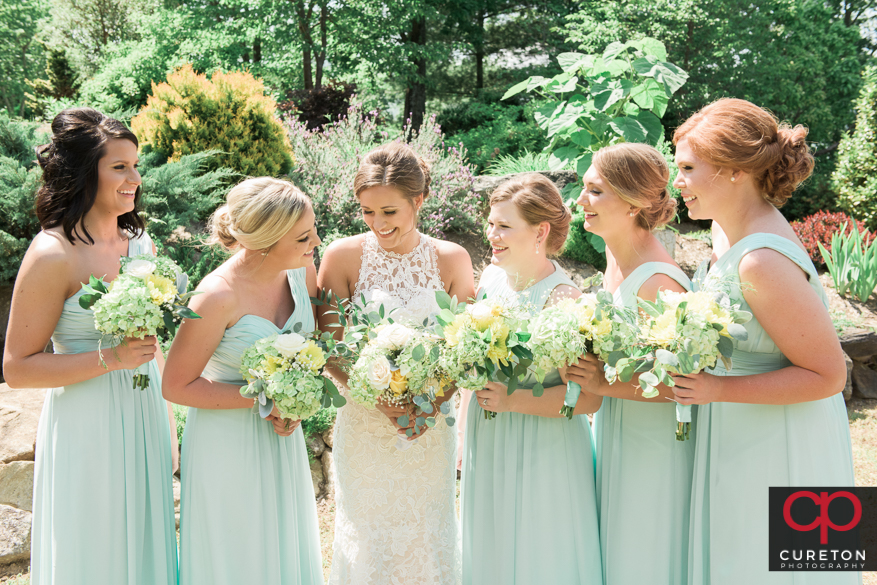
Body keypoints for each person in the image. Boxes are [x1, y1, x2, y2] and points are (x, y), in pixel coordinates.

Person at [671, 98, 856, 584]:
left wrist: (716, 389)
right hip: (740, 434)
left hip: (785, 441)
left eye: (689, 168)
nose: (678, 182)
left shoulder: (761, 261)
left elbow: (831, 374)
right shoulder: (724, 232)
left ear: (734, 171)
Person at [3, 107, 177, 584]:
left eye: (135, 165)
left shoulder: (140, 245)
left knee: (144, 541)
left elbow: (153, 343)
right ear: (84, 173)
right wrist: (112, 358)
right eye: (119, 166)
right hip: (87, 424)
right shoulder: (51, 253)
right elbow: (18, 368)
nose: (134, 178)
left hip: (143, 413)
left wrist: (168, 425)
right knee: (95, 549)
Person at [317, 142, 474, 584]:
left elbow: (465, 346)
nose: (377, 224)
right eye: (367, 212)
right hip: (365, 422)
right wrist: (378, 399)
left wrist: (431, 402)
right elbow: (330, 344)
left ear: (418, 200)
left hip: (428, 426)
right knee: (367, 537)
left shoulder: (451, 258)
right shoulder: (342, 256)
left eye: (389, 211)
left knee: (427, 534)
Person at [162, 177, 324, 585]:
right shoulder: (217, 296)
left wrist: (295, 402)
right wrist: (267, 399)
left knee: (283, 543)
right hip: (227, 444)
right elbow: (176, 385)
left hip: (282, 440)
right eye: (304, 236)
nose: (317, 241)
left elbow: (313, 346)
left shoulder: (302, 271)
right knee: (239, 553)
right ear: (266, 240)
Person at [461, 173, 604, 585]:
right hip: (487, 441)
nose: (492, 234)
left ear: (540, 231)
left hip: (544, 448)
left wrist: (511, 401)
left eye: (504, 226)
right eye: (491, 223)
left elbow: (588, 400)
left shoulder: (563, 299)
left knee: (539, 555)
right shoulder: (488, 281)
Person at [566, 143, 693, 585]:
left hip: (652, 446)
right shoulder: (615, 261)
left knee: (644, 552)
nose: (579, 201)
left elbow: (685, 386)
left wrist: (602, 382)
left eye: (594, 191)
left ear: (634, 202)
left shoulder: (658, 281)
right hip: (617, 430)